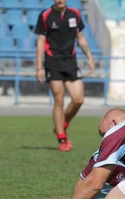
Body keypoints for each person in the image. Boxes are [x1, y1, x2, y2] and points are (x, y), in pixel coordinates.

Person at [35, 0, 95, 152]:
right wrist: (39, 67)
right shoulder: (46, 15)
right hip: (52, 61)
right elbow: (41, 41)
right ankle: (62, 138)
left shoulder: (75, 13)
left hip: (70, 62)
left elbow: (80, 37)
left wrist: (89, 56)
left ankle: (61, 124)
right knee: (59, 99)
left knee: (78, 99)